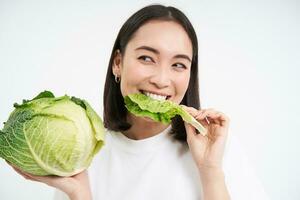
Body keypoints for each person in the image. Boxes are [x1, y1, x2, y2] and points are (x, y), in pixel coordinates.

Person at [9, 4, 269, 200]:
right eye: (147, 58)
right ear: (118, 63)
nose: (161, 79)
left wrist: (210, 170)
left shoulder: (216, 149)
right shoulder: (83, 154)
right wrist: (80, 194)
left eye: (178, 64)